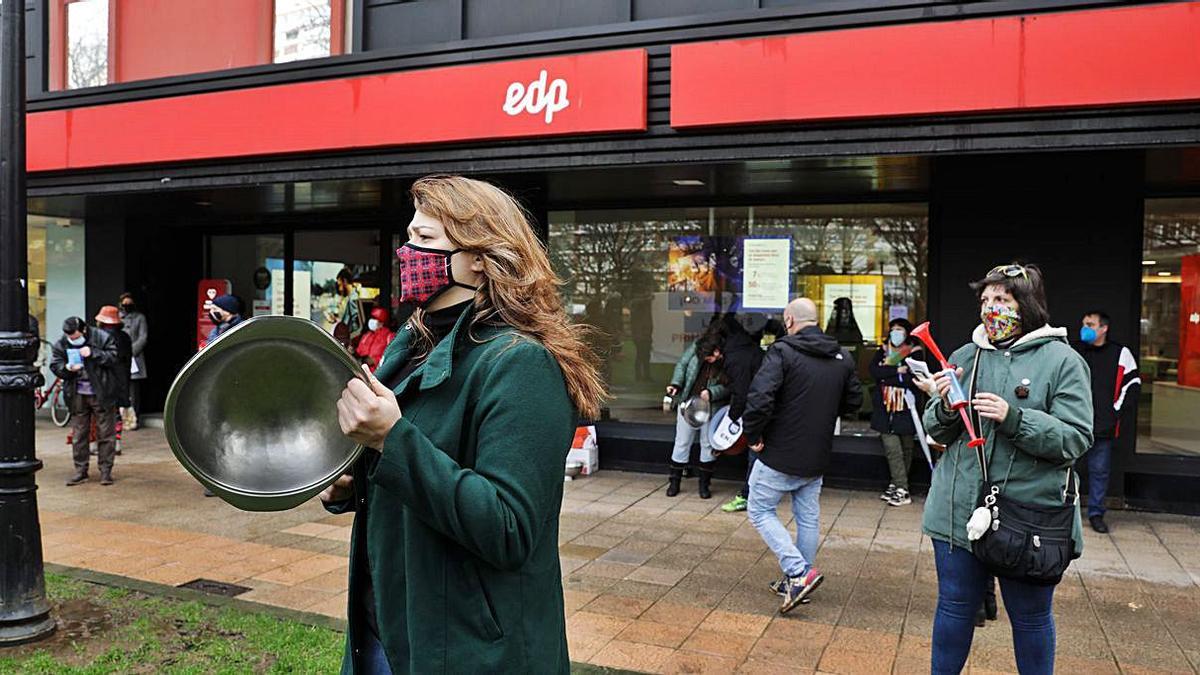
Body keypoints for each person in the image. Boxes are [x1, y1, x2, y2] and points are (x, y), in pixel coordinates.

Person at [321, 175, 604, 673]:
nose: (408, 252)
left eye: (426, 241)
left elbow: (508, 527)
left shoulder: (520, 363)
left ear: (480, 256)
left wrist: (392, 439)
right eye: (409, 237)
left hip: (467, 644)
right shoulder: (412, 344)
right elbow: (420, 469)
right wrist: (352, 479)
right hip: (388, 622)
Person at [923, 263, 1092, 675]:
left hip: (1028, 516)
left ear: (1027, 305)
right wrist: (946, 404)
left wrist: (1014, 418)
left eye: (1001, 299)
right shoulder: (967, 355)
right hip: (958, 509)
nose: (990, 309)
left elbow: (1076, 438)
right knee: (954, 607)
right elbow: (934, 428)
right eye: (985, 300)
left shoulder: (1063, 361)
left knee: (1031, 619)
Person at [742, 298, 863, 613]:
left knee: (758, 510)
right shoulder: (842, 357)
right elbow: (853, 401)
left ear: (789, 320)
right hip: (817, 452)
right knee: (807, 517)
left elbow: (759, 398)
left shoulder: (783, 352)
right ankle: (798, 580)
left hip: (780, 452)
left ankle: (798, 572)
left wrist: (753, 435)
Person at [1075, 310, 1140, 533]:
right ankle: (1063, 512)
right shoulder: (1074, 351)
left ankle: (1095, 513)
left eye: (1090, 324)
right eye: (1084, 323)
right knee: (1065, 470)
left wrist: (1114, 412)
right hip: (1073, 424)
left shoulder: (1121, 353)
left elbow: (1132, 385)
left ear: (1103, 328)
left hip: (1102, 427)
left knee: (1099, 472)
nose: (1085, 328)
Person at [50, 316, 121, 486]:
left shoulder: (101, 337)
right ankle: (80, 471)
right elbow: (56, 364)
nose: (72, 340)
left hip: (101, 393)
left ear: (83, 330)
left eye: (75, 337)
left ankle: (105, 471)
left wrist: (93, 353)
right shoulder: (62, 343)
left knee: (106, 434)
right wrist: (66, 368)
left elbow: (114, 357)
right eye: (70, 338)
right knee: (79, 434)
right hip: (77, 394)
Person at [869, 318, 926, 507]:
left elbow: (913, 378)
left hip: (907, 409)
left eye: (900, 329)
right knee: (892, 449)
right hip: (885, 410)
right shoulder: (882, 350)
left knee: (906, 448)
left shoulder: (915, 353)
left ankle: (897, 485)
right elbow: (875, 372)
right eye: (893, 329)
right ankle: (902, 488)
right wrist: (898, 371)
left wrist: (890, 372)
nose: (895, 333)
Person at [665, 332, 728, 499]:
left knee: (707, 444)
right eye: (707, 357)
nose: (711, 359)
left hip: (711, 406)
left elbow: (730, 385)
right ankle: (674, 482)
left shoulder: (728, 357)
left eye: (713, 356)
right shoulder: (696, 347)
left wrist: (712, 393)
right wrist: (675, 384)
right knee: (682, 442)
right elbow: (682, 365)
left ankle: (704, 485)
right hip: (688, 401)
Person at [717, 314, 766, 513]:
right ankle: (753, 493)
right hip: (763, 407)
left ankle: (747, 495)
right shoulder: (749, 350)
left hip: (757, 409)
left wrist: (731, 418)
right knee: (758, 452)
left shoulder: (736, 358)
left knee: (755, 451)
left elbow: (741, 392)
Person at [95, 306, 133, 455]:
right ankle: (117, 442)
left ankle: (103, 444)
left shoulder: (99, 337)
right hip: (121, 379)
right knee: (116, 412)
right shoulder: (124, 337)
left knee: (102, 413)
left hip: (103, 380)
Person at [119, 292, 149, 430]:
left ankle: (134, 418)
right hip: (119, 357)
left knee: (134, 390)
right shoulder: (118, 317)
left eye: (129, 303)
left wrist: (131, 351)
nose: (127, 306)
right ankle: (122, 418)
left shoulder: (140, 318)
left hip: (134, 357)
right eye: (124, 303)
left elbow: (143, 337)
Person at [355, 306, 396, 372]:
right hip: (361, 372)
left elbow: (392, 358)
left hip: (377, 375)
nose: (371, 321)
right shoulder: (367, 335)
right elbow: (358, 352)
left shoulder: (389, 337)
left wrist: (374, 361)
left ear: (382, 322)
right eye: (371, 318)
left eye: (374, 318)